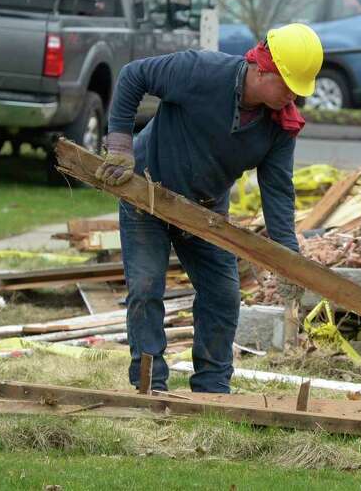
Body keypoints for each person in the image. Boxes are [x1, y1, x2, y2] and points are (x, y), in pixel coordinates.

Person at [95, 23, 324, 393]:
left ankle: (213, 388)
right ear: (262, 68)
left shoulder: (279, 125)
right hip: (148, 194)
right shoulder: (200, 71)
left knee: (223, 295)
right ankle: (149, 385)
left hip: (205, 210)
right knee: (146, 285)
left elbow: (277, 191)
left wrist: (288, 258)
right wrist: (121, 145)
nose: (294, 96)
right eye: (288, 85)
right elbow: (132, 75)